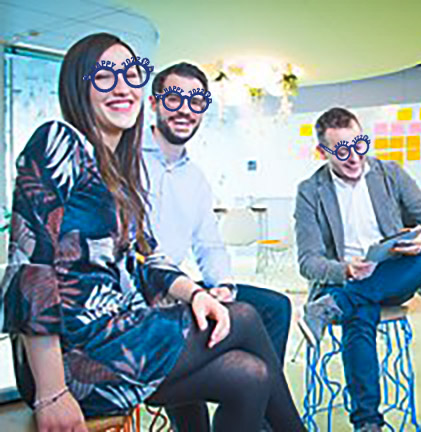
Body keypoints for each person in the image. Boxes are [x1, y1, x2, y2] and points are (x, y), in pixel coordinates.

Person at [0, 33, 306, 432]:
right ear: (78, 84)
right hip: (73, 355)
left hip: (119, 335)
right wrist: (51, 392)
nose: (122, 87)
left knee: (250, 376)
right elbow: (30, 270)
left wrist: (197, 293)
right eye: (104, 76)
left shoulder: (117, 172)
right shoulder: (59, 140)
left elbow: (147, 259)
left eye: (131, 75)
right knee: (245, 317)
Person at [143, 62, 293, 431]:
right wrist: (187, 291)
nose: (185, 109)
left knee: (275, 306)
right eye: (174, 98)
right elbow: (138, 253)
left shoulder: (195, 177)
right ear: (154, 103)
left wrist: (222, 284)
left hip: (181, 288)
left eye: (196, 101)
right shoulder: (125, 161)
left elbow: (208, 243)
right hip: (146, 294)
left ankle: (259, 416)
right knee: (245, 324)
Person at [293, 107, 421, 432]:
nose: (354, 157)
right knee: (360, 313)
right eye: (342, 151)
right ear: (322, 152)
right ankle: (368, 422)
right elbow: (308, 262)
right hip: (345, 279)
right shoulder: (310, 191)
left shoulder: (390, 173)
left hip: (392, 276)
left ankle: (333, 305)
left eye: (359, 145)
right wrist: (346, 271)